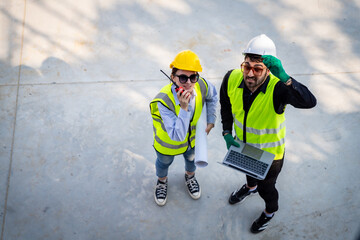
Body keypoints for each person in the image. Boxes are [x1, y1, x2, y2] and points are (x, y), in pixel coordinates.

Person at [219, 34, 317, 233]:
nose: (250, 74)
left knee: (267, 188)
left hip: (270, 155)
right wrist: (227, 132)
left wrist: (287, 79)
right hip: (244, 146)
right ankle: (250, 187)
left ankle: (270, 211)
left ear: (269, 69)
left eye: (258, 68)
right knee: (249, 174)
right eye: (247, 66)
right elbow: (226, 106)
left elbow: (309, 102)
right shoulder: (231, 78)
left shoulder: (278, 88)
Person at [150, 50, 218, 206]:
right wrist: (184, 108)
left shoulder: (200, 85)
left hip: (192, 142)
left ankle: (190, 177)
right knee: (163, 163)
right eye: (182, 78)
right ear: (172, 77)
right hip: (168, 145)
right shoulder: (163, 100)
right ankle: (161, 182)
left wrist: (211, 119)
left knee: (191, 161)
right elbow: (177, 135)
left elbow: (212, 96)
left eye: (193, 77)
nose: (188, 82)